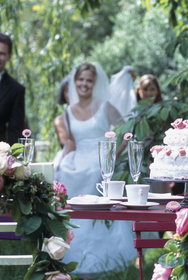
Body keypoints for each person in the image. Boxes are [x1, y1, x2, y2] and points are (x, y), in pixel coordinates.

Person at [55, 62, 135, 279]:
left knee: (95, 185)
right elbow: (69, 143)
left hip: (101, 161)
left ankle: (98, 259)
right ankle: (69, 256)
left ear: (94, 83)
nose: (84, 84)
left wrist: (113, 157)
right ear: (74, 81)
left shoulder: (104, 106)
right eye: (80, 79)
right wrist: (59, 165)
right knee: (66, 188)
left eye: (89, 80)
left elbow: (125, 131)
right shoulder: (68, 112)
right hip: (77, 161)